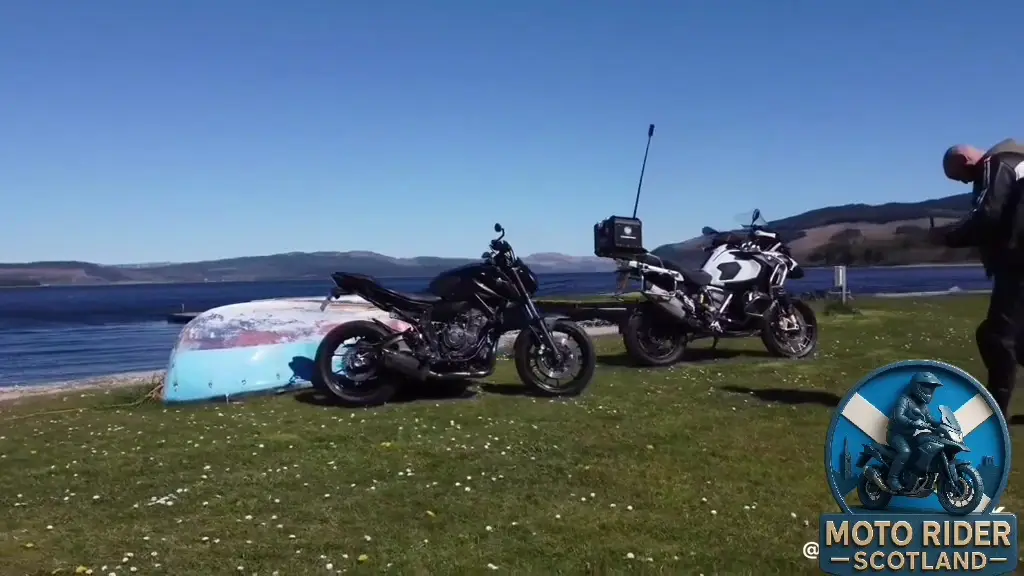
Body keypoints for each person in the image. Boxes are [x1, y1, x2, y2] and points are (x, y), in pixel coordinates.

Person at [937, 139, 1024, 418]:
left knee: (996, 337)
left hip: (1018, 264)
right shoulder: (1017, 163)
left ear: (965, 161)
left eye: (960, 176)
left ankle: (995, 411)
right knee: (1018, 341)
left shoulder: (996, 163)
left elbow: (988, 214)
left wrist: (948, 236)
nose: (965, 183)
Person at [886, 372, 943, 492]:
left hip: (910, 436)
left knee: (922, 450)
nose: (930, 391)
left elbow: (930, 419)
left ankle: (913, 477)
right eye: (927, 387)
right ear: (917, 386)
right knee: (905, 452)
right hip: (896, 435)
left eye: (932, 388)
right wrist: (913, 423)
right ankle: (892, 478)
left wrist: (941, 425)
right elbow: (898, 417)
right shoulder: (904, 400)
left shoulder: (923, 405)